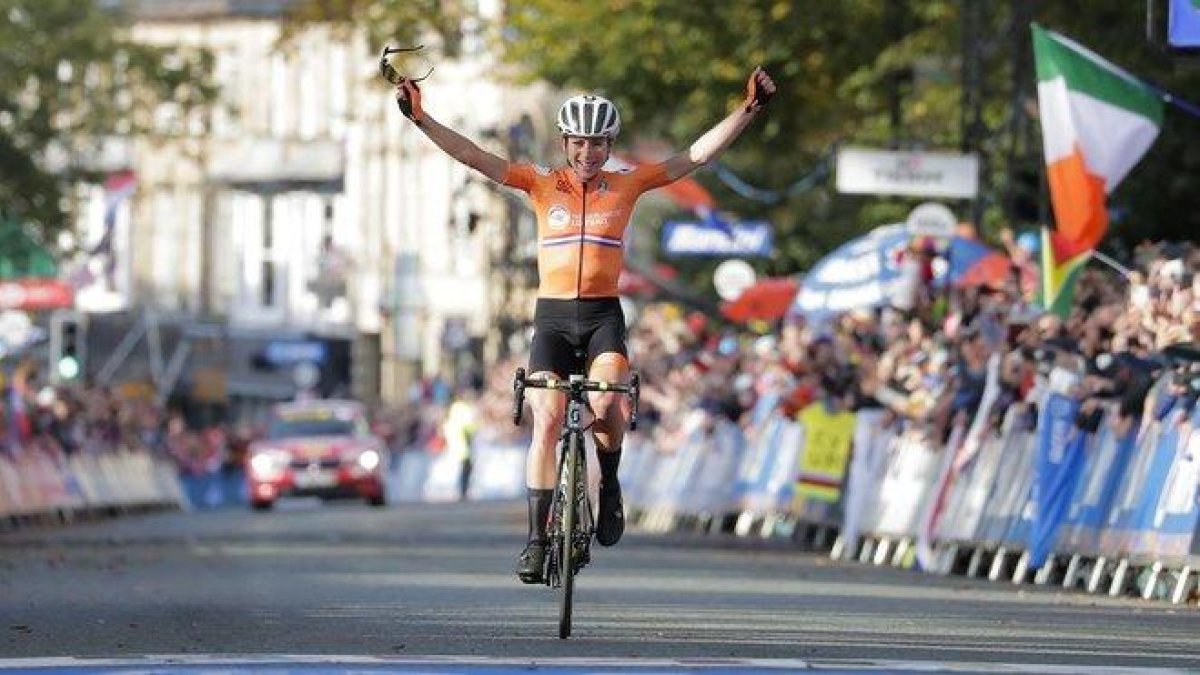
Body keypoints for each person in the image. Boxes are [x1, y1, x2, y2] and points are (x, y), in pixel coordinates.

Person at [394, 66, 777, 583]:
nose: (587, 152)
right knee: (547, 418)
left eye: (597, 143)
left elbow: (695, 156)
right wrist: (420, 118)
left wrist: (747, 111)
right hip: (552, 319)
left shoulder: (627, 184)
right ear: (565, 143)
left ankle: (609, 483)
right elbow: (473, 155)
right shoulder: (540, 183)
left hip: (602, 318)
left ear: (609, 145)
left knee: (609, 404)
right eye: (578, 142)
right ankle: (536, 540)